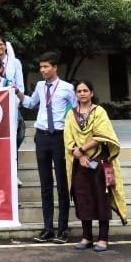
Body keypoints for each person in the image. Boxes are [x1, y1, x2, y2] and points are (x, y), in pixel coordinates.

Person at [19, 53, 76, 244]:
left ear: (55, 67)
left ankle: (63, 228)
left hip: (59, 137)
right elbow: (29, 103)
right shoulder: (40, 86)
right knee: (45, 185)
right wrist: (17, 93)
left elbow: (76, 112)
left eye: (46, 67)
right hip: (41, 137)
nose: (42, 70)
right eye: (41, 67)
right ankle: (48, 228)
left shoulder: (68, 88)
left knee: (62, 185)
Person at [64, 80, 127, 252]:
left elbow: (102, 135)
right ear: (75, 94)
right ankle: (86, 237)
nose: (82, 94)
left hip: (99, 162)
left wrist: (83, 149)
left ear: (91, 93)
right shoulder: (71, 114)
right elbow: (68, 137)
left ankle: (103, 239)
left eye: (85, 90)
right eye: (79, 91)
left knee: (101, 199)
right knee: (82, 199)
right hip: (79, 163)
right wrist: (79, 155)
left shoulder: (99, 112)